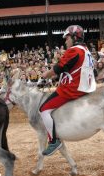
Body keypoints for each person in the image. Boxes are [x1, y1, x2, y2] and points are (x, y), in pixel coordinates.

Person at [39, 25, 96, 156]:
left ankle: (53, 141)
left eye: (67, 38)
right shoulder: (85, 50)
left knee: (43, 110)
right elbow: (70, 68)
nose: (65, 41)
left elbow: (58, 68)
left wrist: (45, 75)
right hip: (84, 87)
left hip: (71, 89)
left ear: (75, 38)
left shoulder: (74, 51)